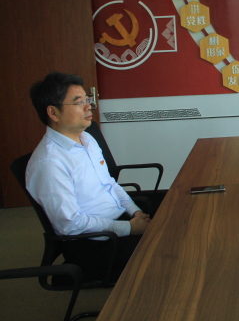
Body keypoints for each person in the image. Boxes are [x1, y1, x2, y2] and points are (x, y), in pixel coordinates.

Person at [26, 72, 151, 282]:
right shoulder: (49, 163)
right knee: (167, 246)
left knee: (175, 217)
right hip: (92, 242)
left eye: (87, 100)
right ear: (53, 113)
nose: (88, 107)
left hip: (118, 221)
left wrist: (136, 212)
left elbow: (109, 183)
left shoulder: (87, 138)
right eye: (79, 103)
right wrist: (130, 228)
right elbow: (71, 224)